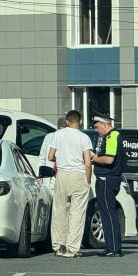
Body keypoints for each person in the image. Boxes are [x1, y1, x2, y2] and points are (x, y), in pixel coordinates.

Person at [47, 109, 93, 258]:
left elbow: (50, 156)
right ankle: (71, 248)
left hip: (61, 174)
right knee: (77, 213)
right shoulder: (84, 137)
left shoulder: (57, 135)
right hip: (78, 175)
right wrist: (88, 180)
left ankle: (58, 246)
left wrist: (61, 159)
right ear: (80, 121)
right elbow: (87, 163)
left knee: (59, 211)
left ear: (67, 121)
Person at [91, 112, 124, 257]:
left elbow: (109, 159)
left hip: (108, 179)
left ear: (104, 125)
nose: (96, 130)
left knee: (109, 213)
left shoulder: (112, 136)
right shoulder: (108, 137)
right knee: (105, 213)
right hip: (106, 178)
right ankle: (110, 246)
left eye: (97, 127)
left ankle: (114, 248)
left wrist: (93, 158)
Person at [37, 117, 66, 188]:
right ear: (57, 128)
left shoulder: (70, 138)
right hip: (51, 174)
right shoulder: (49, 137)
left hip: (64, 174)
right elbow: (42, 156)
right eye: (60, 130)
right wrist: (40, 175)